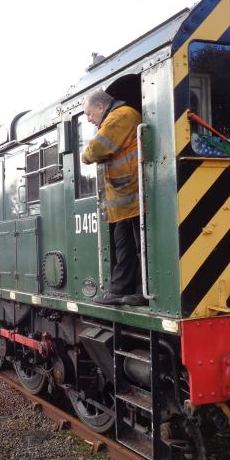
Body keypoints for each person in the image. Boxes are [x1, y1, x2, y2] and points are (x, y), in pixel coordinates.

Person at [81, 90, 146, 306]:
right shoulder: (113, 118)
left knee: (140, 247)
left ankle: (143, 291)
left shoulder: (121, 116)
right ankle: (119, 290)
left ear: (101, 106)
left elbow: (97, 148)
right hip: (124, 199)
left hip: (135, 195)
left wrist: (85, 154)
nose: (89, 119)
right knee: (123, 246)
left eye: (89, 114)